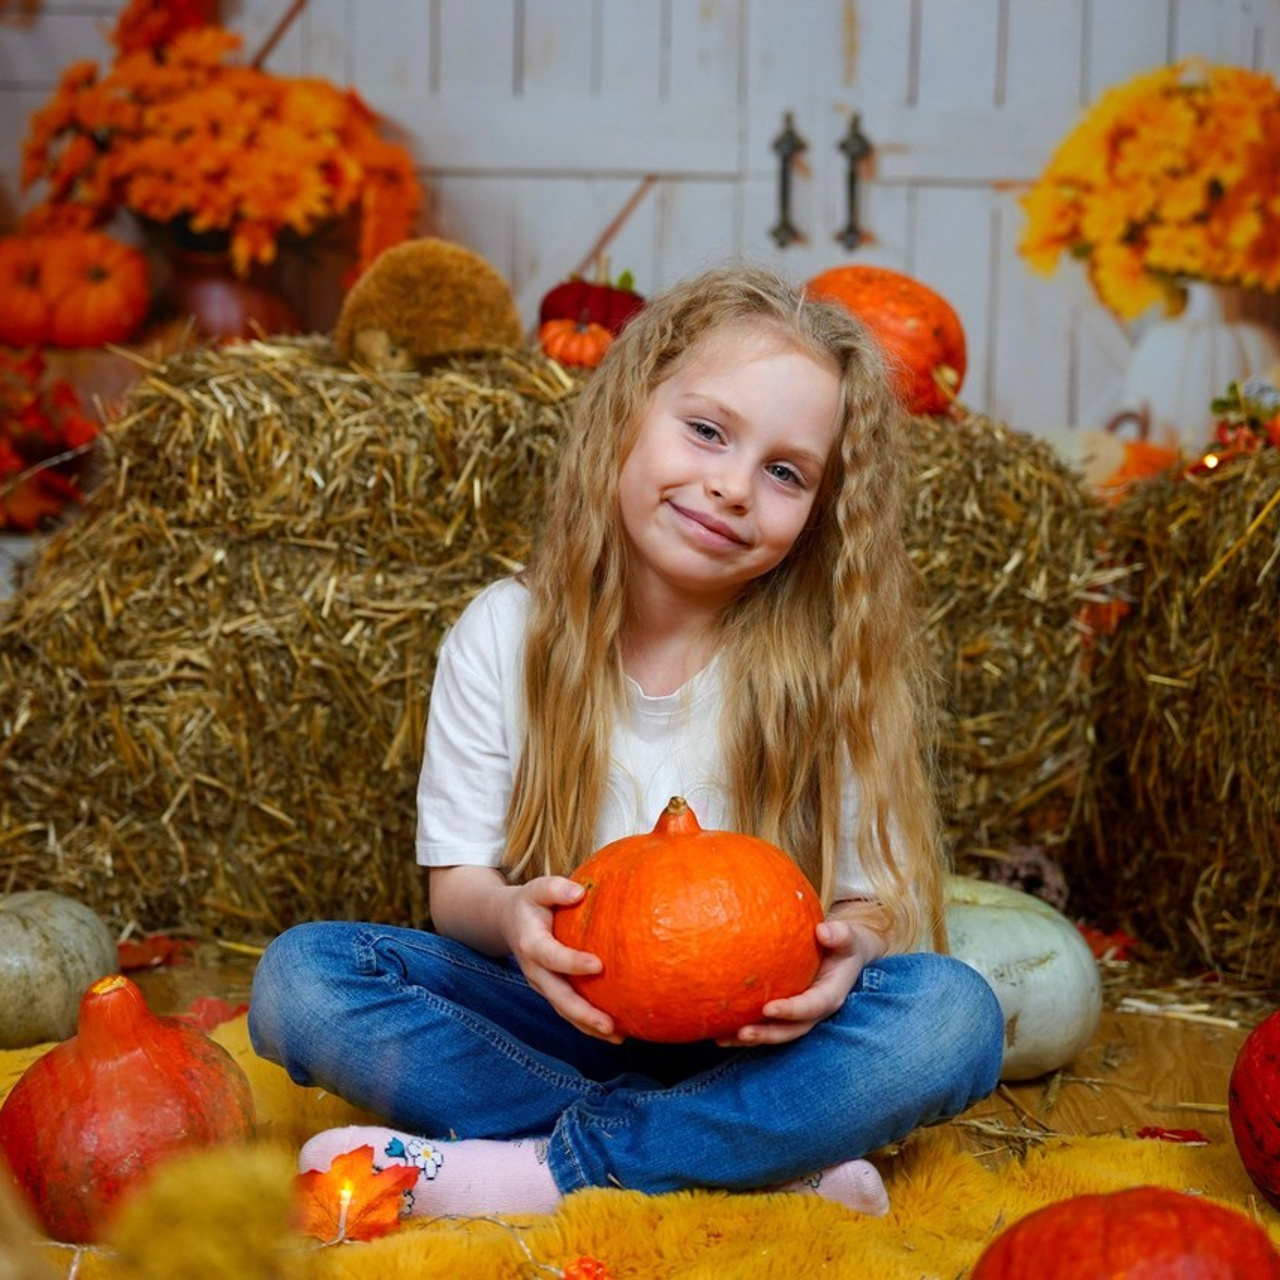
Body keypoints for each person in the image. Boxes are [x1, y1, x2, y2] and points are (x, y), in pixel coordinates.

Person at [248, 263, 1004, 1220]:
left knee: (954, 1017)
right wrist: (516, 918)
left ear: (819, 515)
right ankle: (756, 1152)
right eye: (706, 431)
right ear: (627, 418)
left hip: (762, 1037)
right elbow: (457, 891)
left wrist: (852, 946)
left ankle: (538, 1173)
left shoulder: (827, 666)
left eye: (784, 472)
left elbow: (875, 899)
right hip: (558, 1018)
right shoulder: (504, 633)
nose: (731, 487)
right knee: (304, 982)